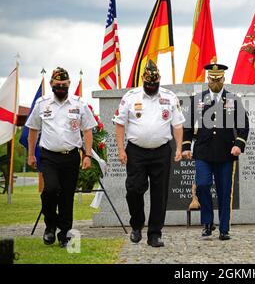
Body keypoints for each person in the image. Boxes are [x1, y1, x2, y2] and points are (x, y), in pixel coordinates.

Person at [114, 60, 184, 247]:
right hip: (136, 151)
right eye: (148, 84)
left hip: (161, 151)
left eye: (154, 84)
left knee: (159, 194)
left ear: (159, 81)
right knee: (133, 189)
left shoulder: (169, 97)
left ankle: (155, 233)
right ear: (143, 80)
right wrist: (121, 149)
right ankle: (137, 225)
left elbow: (177, 124)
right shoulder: (130, 97)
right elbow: (120, 124)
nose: (151, 87)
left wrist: (178, 148)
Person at [26, 67, 97, 247]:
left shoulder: (78, 104)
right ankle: (50, 226)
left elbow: (88, 130)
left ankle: (64, 234)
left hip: (71, 157)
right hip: (49, 156)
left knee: (66, 197)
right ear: (51, 84)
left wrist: (87, 155)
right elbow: (33, 130)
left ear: (69, 85)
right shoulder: (42, 104)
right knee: (50, 189)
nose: (60, 88)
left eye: (64, 85)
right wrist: (30, 154)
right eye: (57, 85)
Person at [182, 63, 249, 240]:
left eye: (218, 79)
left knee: (224, 191)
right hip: (203, 152)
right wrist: (186, 147)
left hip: (226, 153)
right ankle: (207, 222)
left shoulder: (234, 100)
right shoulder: (197, 99)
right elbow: (187, 126)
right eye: (212, 79)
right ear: (208, 79)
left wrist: (239, 145)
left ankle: (224, 229)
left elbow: (244, 126)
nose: (215, 82)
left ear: (224, 79)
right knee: (202, 185)